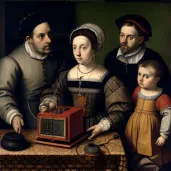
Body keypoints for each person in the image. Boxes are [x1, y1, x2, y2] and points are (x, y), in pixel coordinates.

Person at [39, 23, 132, 139]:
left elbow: (121, 108)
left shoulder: (106, 78)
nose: (78, 53)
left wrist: (103, 126)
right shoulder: (67, 75)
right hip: (69, 129)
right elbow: (54, 93)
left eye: (83, 48)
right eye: (74, 47)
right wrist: (50, 104)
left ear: (94, 48)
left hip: (97, 130)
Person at [0, 13, 68, 132]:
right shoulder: (11, 61)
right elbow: (2, 94)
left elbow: (61, 85)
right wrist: (13, 115)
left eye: (49, 34)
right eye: (41, 36)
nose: (49, 40)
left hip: (53, 118)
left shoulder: (58, 58)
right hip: (24, 126)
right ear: (29, 39)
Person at [104, 14, 171, 96]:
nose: (124, 41)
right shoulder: (111, 57)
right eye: (122, 35)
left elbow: (166, 87)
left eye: (130, 37)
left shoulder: (153, 58)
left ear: (140, 40)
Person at [125, 60, 171, 171]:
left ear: (156, 79)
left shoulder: (162, 96)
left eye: (146, 76)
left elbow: (168, 115)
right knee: (133, 150)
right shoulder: (137, 91)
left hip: (151, 130)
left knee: (150, 151)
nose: (140, 79)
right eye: (139, 74)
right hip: (134, 127)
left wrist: (164, 135)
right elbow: (133, 103)